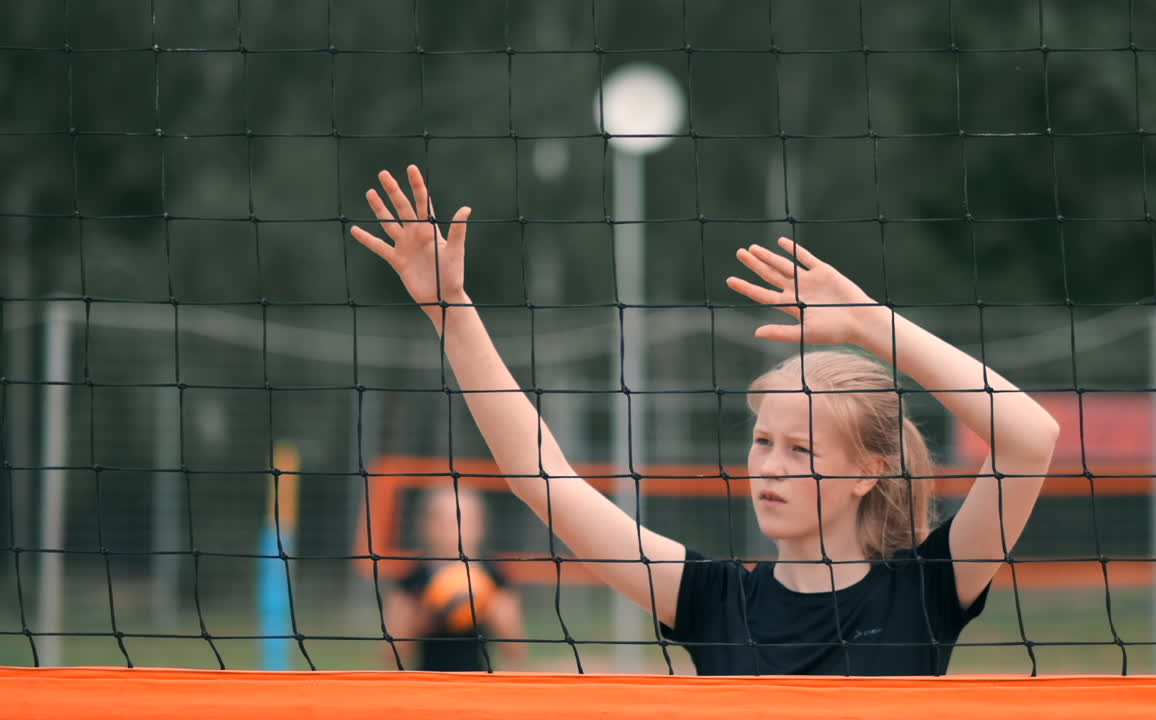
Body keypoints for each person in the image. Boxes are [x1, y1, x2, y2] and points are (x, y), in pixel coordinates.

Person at [351, 165, 1060, 676]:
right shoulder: (716, 600)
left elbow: (1031, 439)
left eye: (801, 449)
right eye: (763, 442)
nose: (771, 465)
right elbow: (541, 478)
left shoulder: (927, 589)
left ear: (866, 474)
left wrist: (873, 327)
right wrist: (451, 310)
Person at [382, 487, 526, 671]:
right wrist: (429, 618)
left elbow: (515, 652)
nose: (456, 530)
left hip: (478, 684)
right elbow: (391, 655)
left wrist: (490, 610)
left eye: (465, 521)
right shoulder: (412, 579)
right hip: (428, 683)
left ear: (481, 526)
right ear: (427, 525)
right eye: (447, 521)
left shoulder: (494, 577)